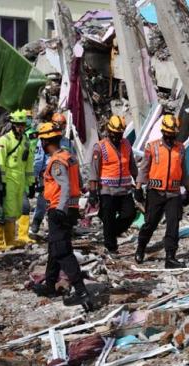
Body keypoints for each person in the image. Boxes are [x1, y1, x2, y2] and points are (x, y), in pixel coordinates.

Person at [32, 122, 94, 311]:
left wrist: (59, 209)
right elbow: (78, 182)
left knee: (63, 251)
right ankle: (50, 285)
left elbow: (65, 185)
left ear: (46, 142)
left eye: (42, 141)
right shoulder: (70, 156)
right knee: (55, 247)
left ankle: (81, 292)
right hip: (70, 208)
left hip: (60, 210)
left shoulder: (57, 161)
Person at [134, 114, 189, 269]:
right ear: (163, 132)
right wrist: (138, 188)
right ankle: (141, 248)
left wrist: (188, 189)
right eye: (169, 133)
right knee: (150, 223)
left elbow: (183, 171)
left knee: (173, 223)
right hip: (155, 192)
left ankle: (170, 257)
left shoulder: (180, 148)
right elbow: (144, 169)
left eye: (173, 133)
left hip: (173, 193)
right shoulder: (152, 147)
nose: (171, 136)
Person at [89, 115, 138, 253]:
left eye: (119, 134)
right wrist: (93, 192)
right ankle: (111, 247)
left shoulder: (126, 144)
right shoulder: (100, 147)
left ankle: (110, 233)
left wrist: (139, 184)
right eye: (114, 134)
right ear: (109, 131)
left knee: (130, 214)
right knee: (109, 218)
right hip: (107, 191)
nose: (117, 137)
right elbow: (94, 171)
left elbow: (132, 166)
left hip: (124, 190)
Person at [0, 110, 30, 249]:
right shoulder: (5, 140)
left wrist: (31, 182)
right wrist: (2, 182)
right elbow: (0, 163)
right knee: (9, 209)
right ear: (12, 125)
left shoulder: (25, 140)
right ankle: (8, 240)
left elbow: (28, 161)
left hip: (20, 179)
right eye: (18, 125)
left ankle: (13, 238)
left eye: (22, 125)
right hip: (9, 179)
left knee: (18, 209)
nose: (21, 128)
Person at [18, 111, 38, 245]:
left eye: (30, 118)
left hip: (28, 171)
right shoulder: (12, 136)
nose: (28, 120)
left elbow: (35, 153)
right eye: (27, 118)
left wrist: (32, 182)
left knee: (25, 206)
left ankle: (23, 235)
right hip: (15, 174)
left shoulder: (33, 134)